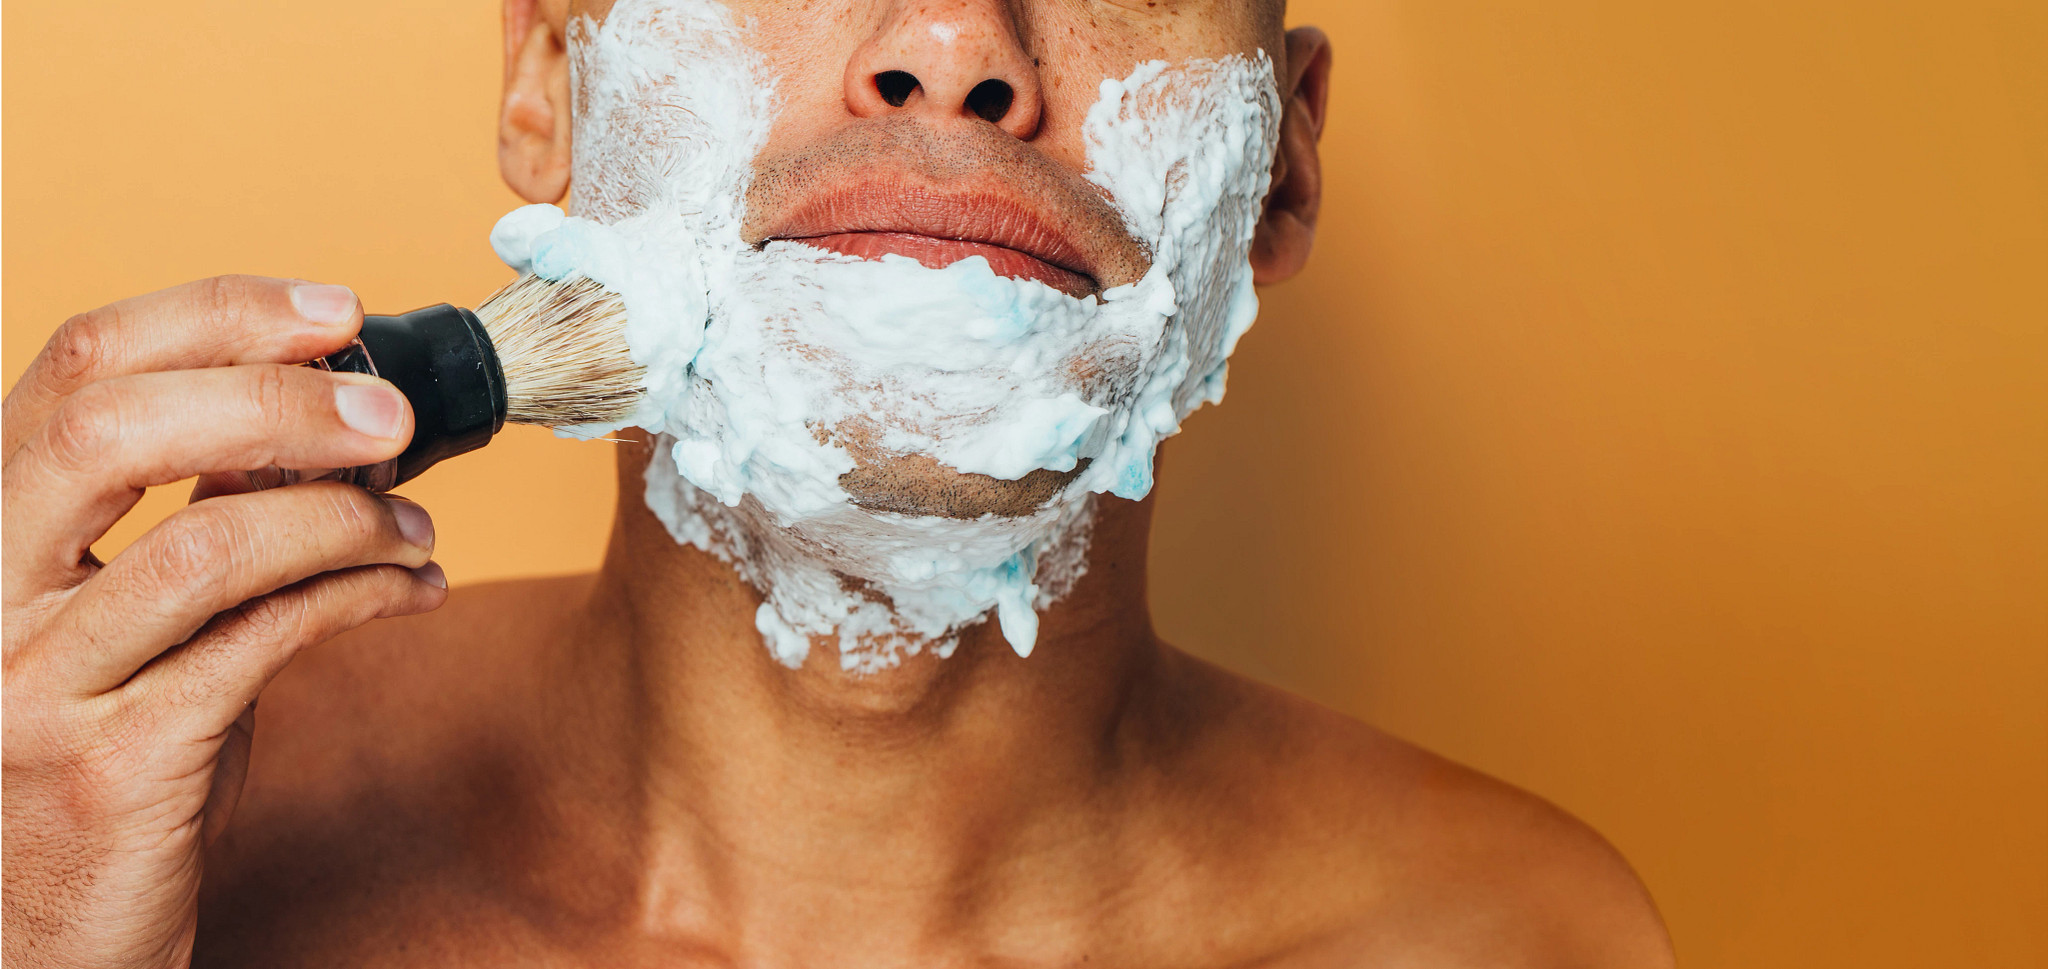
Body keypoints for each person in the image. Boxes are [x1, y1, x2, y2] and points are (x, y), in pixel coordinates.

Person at [1, 0, 1676, 965]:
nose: (954, 46)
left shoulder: (1513, 940)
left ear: (1284, 166)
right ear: (547, 76)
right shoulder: (138, 833)